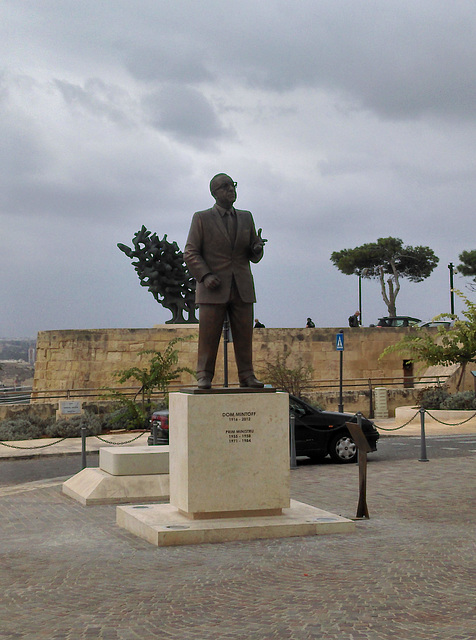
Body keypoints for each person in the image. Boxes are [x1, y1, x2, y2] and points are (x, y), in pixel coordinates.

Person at [184, 173, 266, 389]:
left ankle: (247, 375)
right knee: (209, 336)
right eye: (225, 186)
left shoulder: (246, 217)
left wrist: (256, 249)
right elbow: (190, 252)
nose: (231, 189)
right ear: (214, 193)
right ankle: (204, 375)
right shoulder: (201, 218)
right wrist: (206, 275)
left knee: (244, 335)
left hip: (242, 287)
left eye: (233, 185)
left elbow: (252, 254)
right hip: (213, 288)